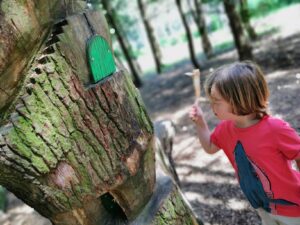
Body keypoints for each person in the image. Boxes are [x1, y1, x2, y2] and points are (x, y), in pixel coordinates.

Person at [189, 61, 300, 225]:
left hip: (293, 207)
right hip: (262, 207)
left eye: (216, 101)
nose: (211, 106)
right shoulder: (225, 129)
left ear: (239, 100)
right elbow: (210, 147)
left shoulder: (274, 129)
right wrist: (200, 124)